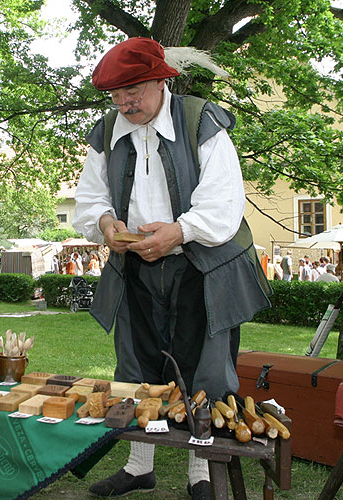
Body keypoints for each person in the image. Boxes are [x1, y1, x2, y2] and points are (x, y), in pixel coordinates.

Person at [72, 37, 270, 499]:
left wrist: (178, 233)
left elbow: (223, 204)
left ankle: (202, 473)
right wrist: (105, 223)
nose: (124, 103)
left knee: (205, 370)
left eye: (134, 91)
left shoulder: (203, 121)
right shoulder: (105, 132)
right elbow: (90, 197)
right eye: (116, 95)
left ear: (163, 80)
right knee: (138, 364)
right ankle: (140, 465)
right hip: (136, 264)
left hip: (202, 264)